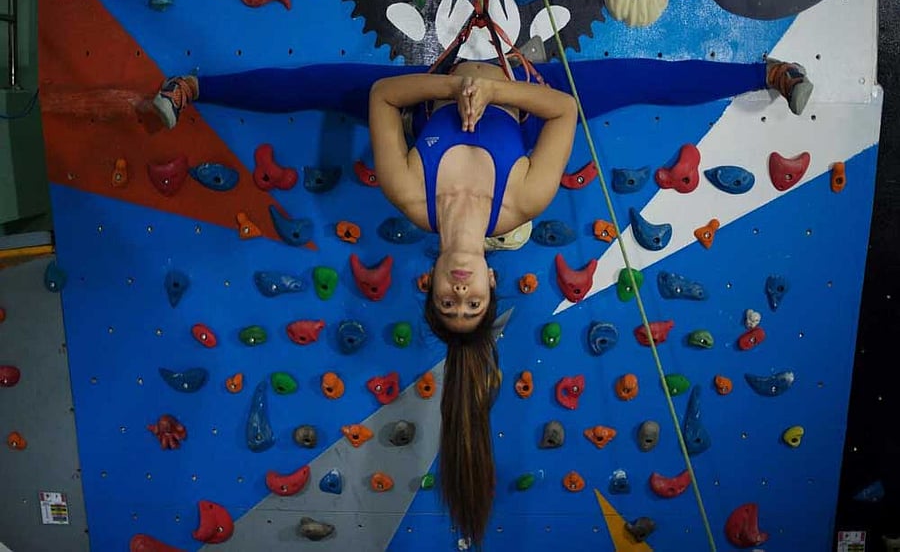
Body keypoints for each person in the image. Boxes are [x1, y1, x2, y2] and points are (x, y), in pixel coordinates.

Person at [149, 54, 812, 545]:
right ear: (493, 281)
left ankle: (195, 87)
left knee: (328, 88)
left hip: (433, 79)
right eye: (473, 304)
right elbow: (564, 111)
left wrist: (449, 86)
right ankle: (768, 72)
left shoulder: (408, 193)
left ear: (433, 282)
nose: (462, 293)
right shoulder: (525, 198)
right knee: (631, 82)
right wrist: (494, 89)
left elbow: (383, 97)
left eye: (449, 302)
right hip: (528, 79)